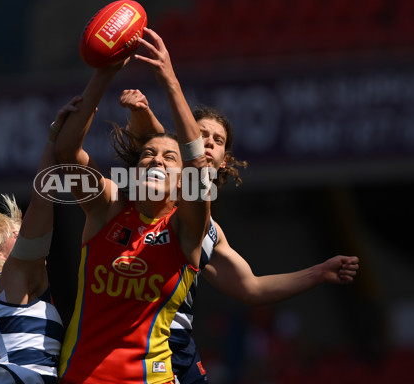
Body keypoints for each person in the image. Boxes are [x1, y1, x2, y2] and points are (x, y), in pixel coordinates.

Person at [120, 88, 361, 384]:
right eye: (200, 134)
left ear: (224, 160)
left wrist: (320, 272)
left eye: (217, 140)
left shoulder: (209, 230)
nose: (207, 142)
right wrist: (142, 111)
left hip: (175, 352)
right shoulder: (155, 195)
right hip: (128, 349)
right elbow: (149, 140)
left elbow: (251, 288)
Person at [55, 27, 211, 384]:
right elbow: (67, 154)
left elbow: (198, 166)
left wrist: (169, 80)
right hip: (80, 377)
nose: (156, 161)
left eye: (169, 158)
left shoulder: (185, 229)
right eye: (148, 155)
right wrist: (105, 72)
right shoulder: (107, 207)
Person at [0, 98, 82, 383]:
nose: (26, 236)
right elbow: (43, 202)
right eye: (16, 236)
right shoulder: (13, 279)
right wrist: (52, 142)